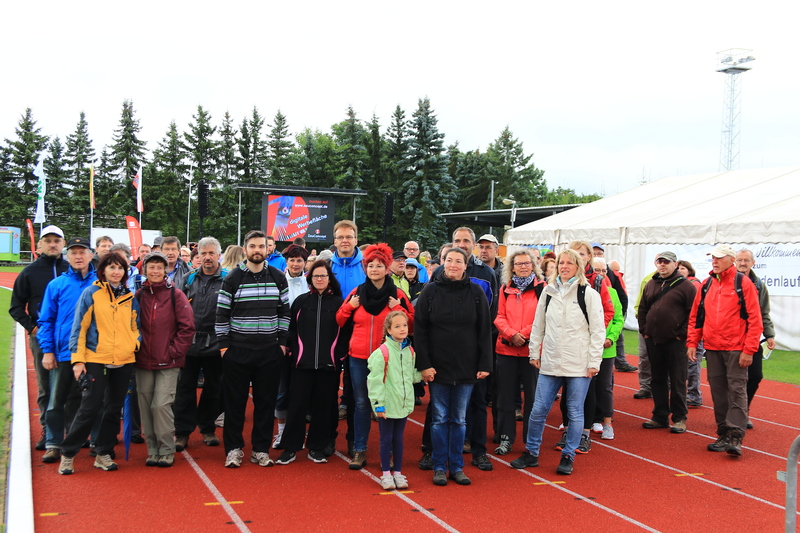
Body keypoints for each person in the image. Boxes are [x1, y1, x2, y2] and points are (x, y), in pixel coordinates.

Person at [510, 249, 604, 475]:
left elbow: (597, 331)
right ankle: (531, 452)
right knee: (538, 410)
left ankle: (568, 456)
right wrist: (534, 352)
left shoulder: (588, 294)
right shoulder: (548, 291)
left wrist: (594, 362)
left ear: (578, 266)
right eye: (561, 262)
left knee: (574, 412)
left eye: (569, 263)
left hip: (578, 363)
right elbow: (538, 324)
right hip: (551, 361)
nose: (564, 266)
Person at [56, 252, 140, 475]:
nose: (116, 272)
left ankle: (103, 451)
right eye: (111, 267)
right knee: (90, 407)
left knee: (113, 409)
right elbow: (79, 328)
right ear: (102, 270)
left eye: (120, 268)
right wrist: (78, 360)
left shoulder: (130, 297)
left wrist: (133, 344)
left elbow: (136, 328)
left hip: (124, 361)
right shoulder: (91, 293)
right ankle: (68, 453)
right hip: (96, 359)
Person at [415, 247, 492, 486]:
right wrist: (424, 364)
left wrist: (485, 363)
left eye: (459, 261)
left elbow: (484, 330)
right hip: (437, 367)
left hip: (467, 367)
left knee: (459, 419)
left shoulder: (476, 293)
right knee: (439, 419)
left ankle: (456, 466)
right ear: (443, 263)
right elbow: (420, 330)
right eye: (449, 260)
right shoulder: (430, 291)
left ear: (466, 265)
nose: (453, 265)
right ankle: (439, 466)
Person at [336, 243, 414, 470]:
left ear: (387, 268)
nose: (374, 269)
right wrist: (349, 307)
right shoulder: (356, 293)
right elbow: (339, 320)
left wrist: (399, 309)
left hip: (388, 358)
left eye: (379, 265)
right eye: (370, 265)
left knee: (386, 405)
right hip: (359, 357)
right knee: (361, 404)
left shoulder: (398, 295)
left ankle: (387, 452)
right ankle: (359, 450)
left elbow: (412, 324)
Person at [216, 230, 290, 468]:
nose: (257, 250)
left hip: (269, 351)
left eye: (261, 246)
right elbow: (221, 314)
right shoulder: (233, 277)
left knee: (265, 404)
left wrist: (281, 343)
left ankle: (260, 449)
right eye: (253, 246)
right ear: (245, 249)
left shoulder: (278, 276)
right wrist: (224, 347)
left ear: (268, 249)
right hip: (238, 350)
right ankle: (233, 449)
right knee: (235, 404)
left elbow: (284, 312)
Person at [687, 245, 762, 456]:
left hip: (736, 348)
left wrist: (749, 350)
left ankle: (735, 435)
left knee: (737, 390)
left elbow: (755, 319)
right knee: (718, 393)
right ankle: (723, 433)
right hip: (712, 348)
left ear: (731, 260)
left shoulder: (743, 283)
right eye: (713, 257)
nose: (714, 261)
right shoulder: (706, 284)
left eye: (719, 258)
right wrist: (692, 342)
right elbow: (696, 316)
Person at [277, 260, 350, 465]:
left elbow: (345, 332)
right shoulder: (301, 302)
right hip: (302, 364)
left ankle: (317, 447)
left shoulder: (338, 303)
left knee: (323, 407)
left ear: (329, 279)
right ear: (310, 279)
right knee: (297, 405)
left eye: (323, 276)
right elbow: (291, 330)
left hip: (329, 365)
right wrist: (294, 352)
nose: (319, 279)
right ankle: (291, 447)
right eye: (316, 276)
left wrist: (339, 355)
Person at [36, 237, 97, 464]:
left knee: (92, 401)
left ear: (91, 255)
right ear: (67, 256)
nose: (78, 257)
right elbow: (46, 320)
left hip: (91, 353)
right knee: (56, 402)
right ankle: (53, 443)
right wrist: (48, 351)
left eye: (82, 252)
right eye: (73, 253)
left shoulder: (100, 283)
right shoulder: (56, 285)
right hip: (63, 352)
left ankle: (92, 442)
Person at [9, 225, 68, 450]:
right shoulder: (29, 272)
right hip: (42, 338)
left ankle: (72, 430)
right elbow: (16, 307)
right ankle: (48, 430)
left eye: (57, 240)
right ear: (40, 244)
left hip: (70, 338)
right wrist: (34, 329)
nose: (53, 245)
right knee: (46, 386)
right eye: (48, 241)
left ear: (63, 244)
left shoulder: (72, 269)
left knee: (72, 386)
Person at [136, 251, 195, 467]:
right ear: (145, 270)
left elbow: (187, 327)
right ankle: (153, 449)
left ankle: (166, 448)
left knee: (161, 405)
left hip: (168, 361)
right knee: (145, 406)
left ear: (165, 270)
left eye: (159, 267)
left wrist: (174, 351)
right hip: (143, 360)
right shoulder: (139, 295)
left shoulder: (175, 295)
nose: (155, 271)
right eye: (151, 267)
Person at [173, 237, 227, 451]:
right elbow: (176, 308)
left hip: (216, 343)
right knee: (184, 389)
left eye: (211, 253)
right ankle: (182, 432)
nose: (207, 257)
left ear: (218, 255)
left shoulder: (228, 279)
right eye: (203, 253)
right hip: (189, 343)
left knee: (214, 389)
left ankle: (207, 428)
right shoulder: (188, 279)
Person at [637, 251, 697, 434]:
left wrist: (681, 334)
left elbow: (694, 313)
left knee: (677, 381)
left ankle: (679, 418)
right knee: (657, 379)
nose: (662, 264)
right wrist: (645, 330)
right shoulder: (651, 283)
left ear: (675, 264)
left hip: (676, 342)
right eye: (659, 261)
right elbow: (643, 309)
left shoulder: (686, 286)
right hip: (653, 340)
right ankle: (660, 416)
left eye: (666, 262)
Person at [493, 249, 545, 455]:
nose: (523, 267)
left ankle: (530, 441)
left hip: (532, 352)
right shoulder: (505, 288)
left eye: (526, 263)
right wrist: (511, 334)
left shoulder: (542, 289)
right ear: (512, 268)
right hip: (506, 350)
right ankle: (506, 437)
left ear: (533, 265)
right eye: (519, 264)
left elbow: (543, 317)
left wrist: (522, 334)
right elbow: (499, 316)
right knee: (505, 398)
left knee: (533, 399)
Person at [367, 311, 421, 490]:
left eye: (404, 325)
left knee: (398, 438)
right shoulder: (381, 353)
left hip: (403, 404)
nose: (402, 329)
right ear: (388, 330)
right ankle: (386, 474)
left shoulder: (409, 351)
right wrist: (378, 404)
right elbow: (375, 382)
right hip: (388, 404)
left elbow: (411, 376)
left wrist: (424, 374)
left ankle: (398, 472)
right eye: (397, 326)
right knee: (386, 439)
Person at [329, 221, 366, 436]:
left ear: (356, 240)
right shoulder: (327, 266)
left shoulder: (366, 265)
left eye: (349, 237)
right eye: (341, 237)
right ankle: (328, 432)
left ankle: (354, 432)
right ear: (335, 241)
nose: (345, 241)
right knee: (331, 376)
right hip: (332, 329)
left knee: (355, 378)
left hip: (358, 329)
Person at [735, 249, 776, 429]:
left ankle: (743, 410)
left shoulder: (759, 285)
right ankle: (732, 413)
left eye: (746, 260)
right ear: (734, 262)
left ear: (753, 263)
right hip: (730, 339)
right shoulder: (726, 282)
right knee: (731, 379)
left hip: (752, 338)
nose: (743, 263)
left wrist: (769, 335)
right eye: (739, 260)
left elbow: (763, 312)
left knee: (755, 376)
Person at [677, 260, 704, 407]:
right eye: (678, 268)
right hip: (682, 330)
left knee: (692, 363)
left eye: (683, 268)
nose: (680, 270)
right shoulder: (678, 284)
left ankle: (694, 394)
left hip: (694, 331)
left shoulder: (694, 284)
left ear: (689, 270)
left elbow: (696, 310)